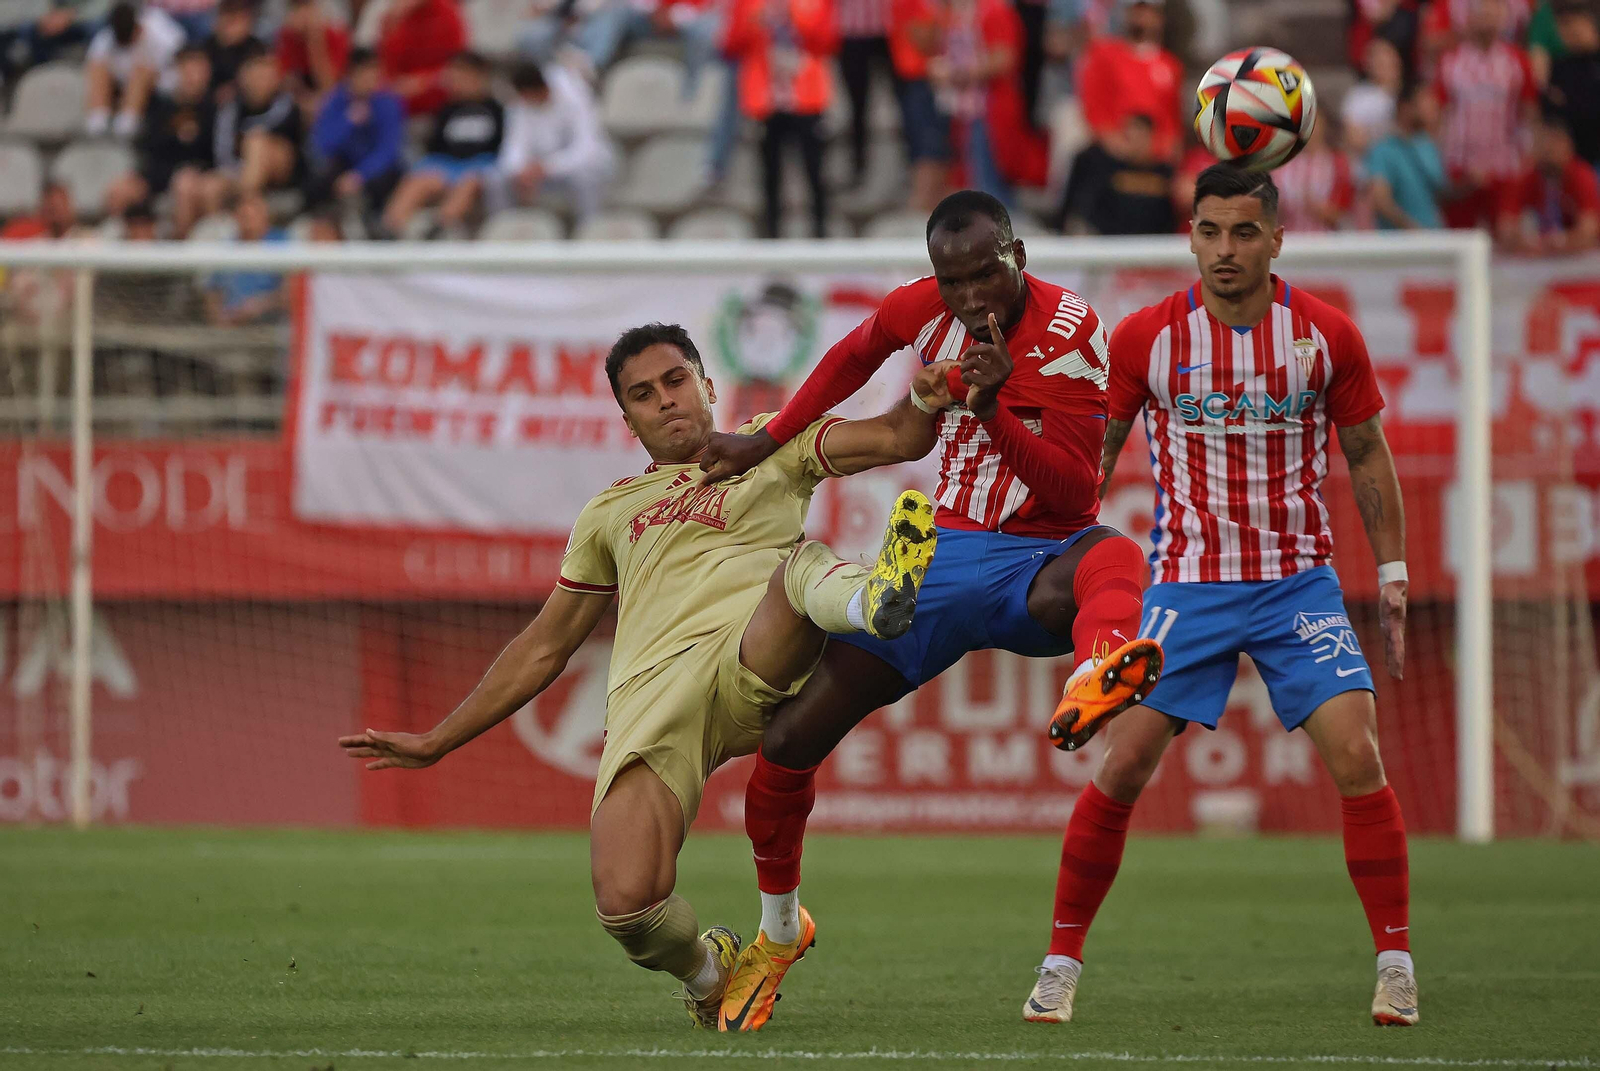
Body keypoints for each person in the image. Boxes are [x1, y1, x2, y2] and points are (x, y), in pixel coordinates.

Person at [339, 321, 947, 1028]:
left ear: (707, 385)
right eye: (643, 394)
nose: (665, 400)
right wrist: (438, 739)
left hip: (755, 652)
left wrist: (927, 398)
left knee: (798, 570)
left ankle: (874, 599)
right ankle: (709, 975)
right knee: (627, 906)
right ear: (627, 418)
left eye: (675, 380)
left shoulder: (771, 443)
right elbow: (544, 645)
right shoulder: (609, 513)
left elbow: (897, 437)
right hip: (654, 703)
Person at [696, 189, 1163, 1032]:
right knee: (789, 741)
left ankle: (1099, 666)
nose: (971, 296)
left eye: (986, 274)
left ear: (1017, 255)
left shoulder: (1072, 333)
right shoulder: (924, 308)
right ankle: (778, 933)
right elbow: (851, 354)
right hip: (943, 560)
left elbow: (1075, 491)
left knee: (1116, 553)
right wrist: (766, 438)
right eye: (954, 281)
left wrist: (992, 412)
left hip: (1038, 561)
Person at [1026, 163, 1416, 1028]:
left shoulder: (1326, 336)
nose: (1225, 249)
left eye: (1243, 232)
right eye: (1209, 231)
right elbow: (1096, 457)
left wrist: (1391, 572)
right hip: (1187, 585)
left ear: (1276, 238)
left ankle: (1396, 963)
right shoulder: (1146, 338)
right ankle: (1058, 963)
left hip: (1295, 582)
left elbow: (1365, 452)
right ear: (1191, 236)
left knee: (1359, 756)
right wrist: (1059, 556)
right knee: (1122, 763)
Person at [721, 0, 839, 239]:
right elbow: (729, 45)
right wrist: (754, 23)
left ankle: (821, 235)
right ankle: (772, 236)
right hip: (766, 102)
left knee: (815, 170)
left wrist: (794, 18)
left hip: (806, 100)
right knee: (770, 174)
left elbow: (828, 42)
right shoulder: (747, 4)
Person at [1433, 0, 1537, 228]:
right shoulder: (1450, 61)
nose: (1488, 20)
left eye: (1494, 13)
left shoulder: (1518, 61)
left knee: (1505, 235)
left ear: (1504, 19)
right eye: (1482, 13)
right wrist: (1440, 162)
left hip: (1505, 165)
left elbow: (1529, 113)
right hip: (1460, 165)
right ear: (1469, 18)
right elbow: (1439, 114)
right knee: (1460, 235)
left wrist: (1527, 157)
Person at [381, 50, 504, 237]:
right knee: (418, 181)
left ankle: (438, 230)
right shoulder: (447, 109)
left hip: (480, 164)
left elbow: (501, 148)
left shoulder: (496, 110)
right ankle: (390, 230)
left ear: (478, 75)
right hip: (447, 164)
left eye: (463, 75)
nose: (457, 81)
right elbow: (435, 147)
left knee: (470, 182)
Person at [104, 44, 218, 238]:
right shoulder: (162, 107)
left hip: (195, 175)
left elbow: (214, 154)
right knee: (119, 190)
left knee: (184, 184)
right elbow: (150, 149)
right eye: (186, 69)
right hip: (159, 174)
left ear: (207, 73)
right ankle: (120, 249)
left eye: (197, 70)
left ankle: (181, 248)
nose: (191, 76)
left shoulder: (214, 109)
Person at [494, 61, 616, 224]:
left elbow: (587, 149)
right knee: (498, 180)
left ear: (544, 88)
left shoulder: (575, 95)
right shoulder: (520, 104)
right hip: (540, 172)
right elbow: (514, 147)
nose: (528, 101)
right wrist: (521, 170)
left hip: (586, 167)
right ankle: (507, 231)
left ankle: (589, 229)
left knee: (583, 179)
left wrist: (547, 167)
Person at [307, 47, 406, 223]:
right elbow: (323, 144)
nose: (371, 81)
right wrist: (348, 120)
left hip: (376, 169)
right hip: (344, 163)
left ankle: (374, 226)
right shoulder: (335, 101)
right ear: (351, 75)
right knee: (317, 180)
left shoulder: (388, 103)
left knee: (383, 181)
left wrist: (359, 175)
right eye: (365, 74)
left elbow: (388, 151)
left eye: (374, 74)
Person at [1075, 0, 1182, 162]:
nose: (1142, 18)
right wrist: (1115, 142)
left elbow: (1172, 122)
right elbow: (1093, 105)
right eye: (1137, 11)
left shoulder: (1171, 65)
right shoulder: (1104, 54)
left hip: (1155, 157)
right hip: (1110, 150)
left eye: (1148, 11)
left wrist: (1157, 148)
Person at [207, 41, 305, 207]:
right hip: (239, 169)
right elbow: (222, 151)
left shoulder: (287, 105)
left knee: (256, 141)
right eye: (257, 74)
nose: (261, 80)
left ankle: (244, 207)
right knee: (209, 187)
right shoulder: (230, 109)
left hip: (282, 172)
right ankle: (215, 222)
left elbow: (276, 134)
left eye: (267, 74)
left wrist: (245, 138)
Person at [1053, 111, 1174, 235]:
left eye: (1141, 137)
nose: (1136, 143)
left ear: (1151, 137)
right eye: (1130, 137)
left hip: (1155, 241)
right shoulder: (1107, 169)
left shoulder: (1165, 173)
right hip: (1111, 241)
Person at [1496, 112, 1600, 254]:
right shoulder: (1527, 177)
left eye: (1555, 143)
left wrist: (1559, 242)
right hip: (1540, 254)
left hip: (1576, 256)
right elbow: (1505, 228)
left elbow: (1589, 231)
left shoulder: (1581, 175)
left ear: (1568, 145)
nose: (1549, 149)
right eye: (1544, 143)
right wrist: (1526, 240)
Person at [85, 0, 188, 138]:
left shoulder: (157, 25)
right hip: (123, 84)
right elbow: (94, 65)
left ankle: (128, 122)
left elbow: (182, 53)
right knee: (98, 65)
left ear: (137, 28)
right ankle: (98, 119)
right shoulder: (108, 36)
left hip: (163, 81)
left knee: (142, 68)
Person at [1366, 80, 1447, 230]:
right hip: (1400, 241)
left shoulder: (1428, 145)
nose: (1432, 108)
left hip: (1434, 237)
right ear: (1405, 108)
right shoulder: (1383, 150)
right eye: (1424, 103)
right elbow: (1381, 200)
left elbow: (1440, 192)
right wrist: (1411, 228)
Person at [204, 192, 287, 326]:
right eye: (243, 216)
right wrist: (219, 318)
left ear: (265, 216)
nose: (248, 222)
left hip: (269, 325)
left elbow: (290, 291)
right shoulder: (226, 248)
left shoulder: (282, 243)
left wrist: (260, 305)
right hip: (231, 325)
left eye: (252, 216)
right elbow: (213, 291)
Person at [376, 0, 467, 115]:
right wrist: (393, 23)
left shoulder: (448, 15)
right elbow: (385, 64)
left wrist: (422, 82)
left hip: (439, 105)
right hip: (396, 103)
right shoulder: (393, 15)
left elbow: (458, 65)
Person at [1271, 119, 1357, 232]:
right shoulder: (1279, 162)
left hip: (1325, 237)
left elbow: (1344, 212)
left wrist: (1317, 209)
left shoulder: (1338, 162)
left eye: (1313, 123)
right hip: (1288, 236)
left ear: (1324, 126)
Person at [1544, 0, 1600, 168]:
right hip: (1572, 160)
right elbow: (1551, 108)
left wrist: (1569, 103)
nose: (1571, 31)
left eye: (1575, 24)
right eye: (1564, 26)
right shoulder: (1559, 66)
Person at [1342, 37, 1404, 158]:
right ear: (1368, 64)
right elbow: (1354, 138)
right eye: (1379, 61)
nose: (1385, 65)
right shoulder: (1357, 96)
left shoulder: (1409, 94)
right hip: (1372, 161)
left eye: (1388, 60)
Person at [277, 0, 352, 100]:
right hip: (301, 99)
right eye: (297, 9)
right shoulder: (288, 36)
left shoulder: (336, 35)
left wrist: (315, 41)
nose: (303, 16)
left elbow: (329, 87)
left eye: (306, 8)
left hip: (334, 99)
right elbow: (285, 83)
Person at [202, 0, 263, 97]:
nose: (233, 26)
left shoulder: (257, 49)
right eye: (230, 20)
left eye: (239, 20)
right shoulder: (206, 48)